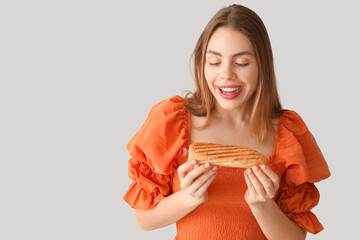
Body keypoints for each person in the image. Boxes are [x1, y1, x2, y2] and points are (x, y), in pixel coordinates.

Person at [123, 4, 331, 240]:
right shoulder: (172, 122)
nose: (226, 74)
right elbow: (143, 219)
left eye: (241, 63)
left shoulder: (286, 134)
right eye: (214, 62)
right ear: (202, 63)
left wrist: (263, 205)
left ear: (262, 65)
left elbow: (295, 238)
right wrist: (188, 197)